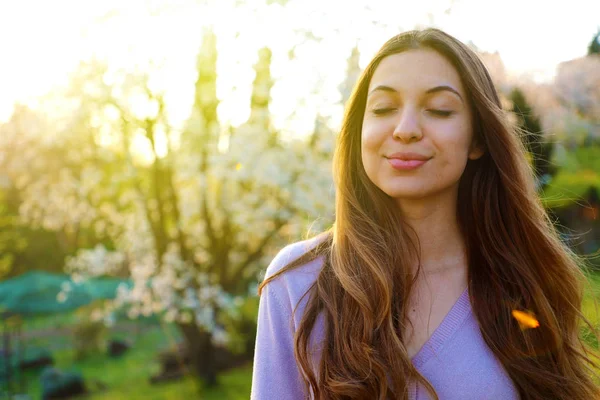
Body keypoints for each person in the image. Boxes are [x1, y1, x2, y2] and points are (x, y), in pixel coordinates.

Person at [250, 28, 600, 400]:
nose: (405, 130)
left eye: (439, 110)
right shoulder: (298, 283)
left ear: (478, 138)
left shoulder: (524, 282)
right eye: (384, 108)